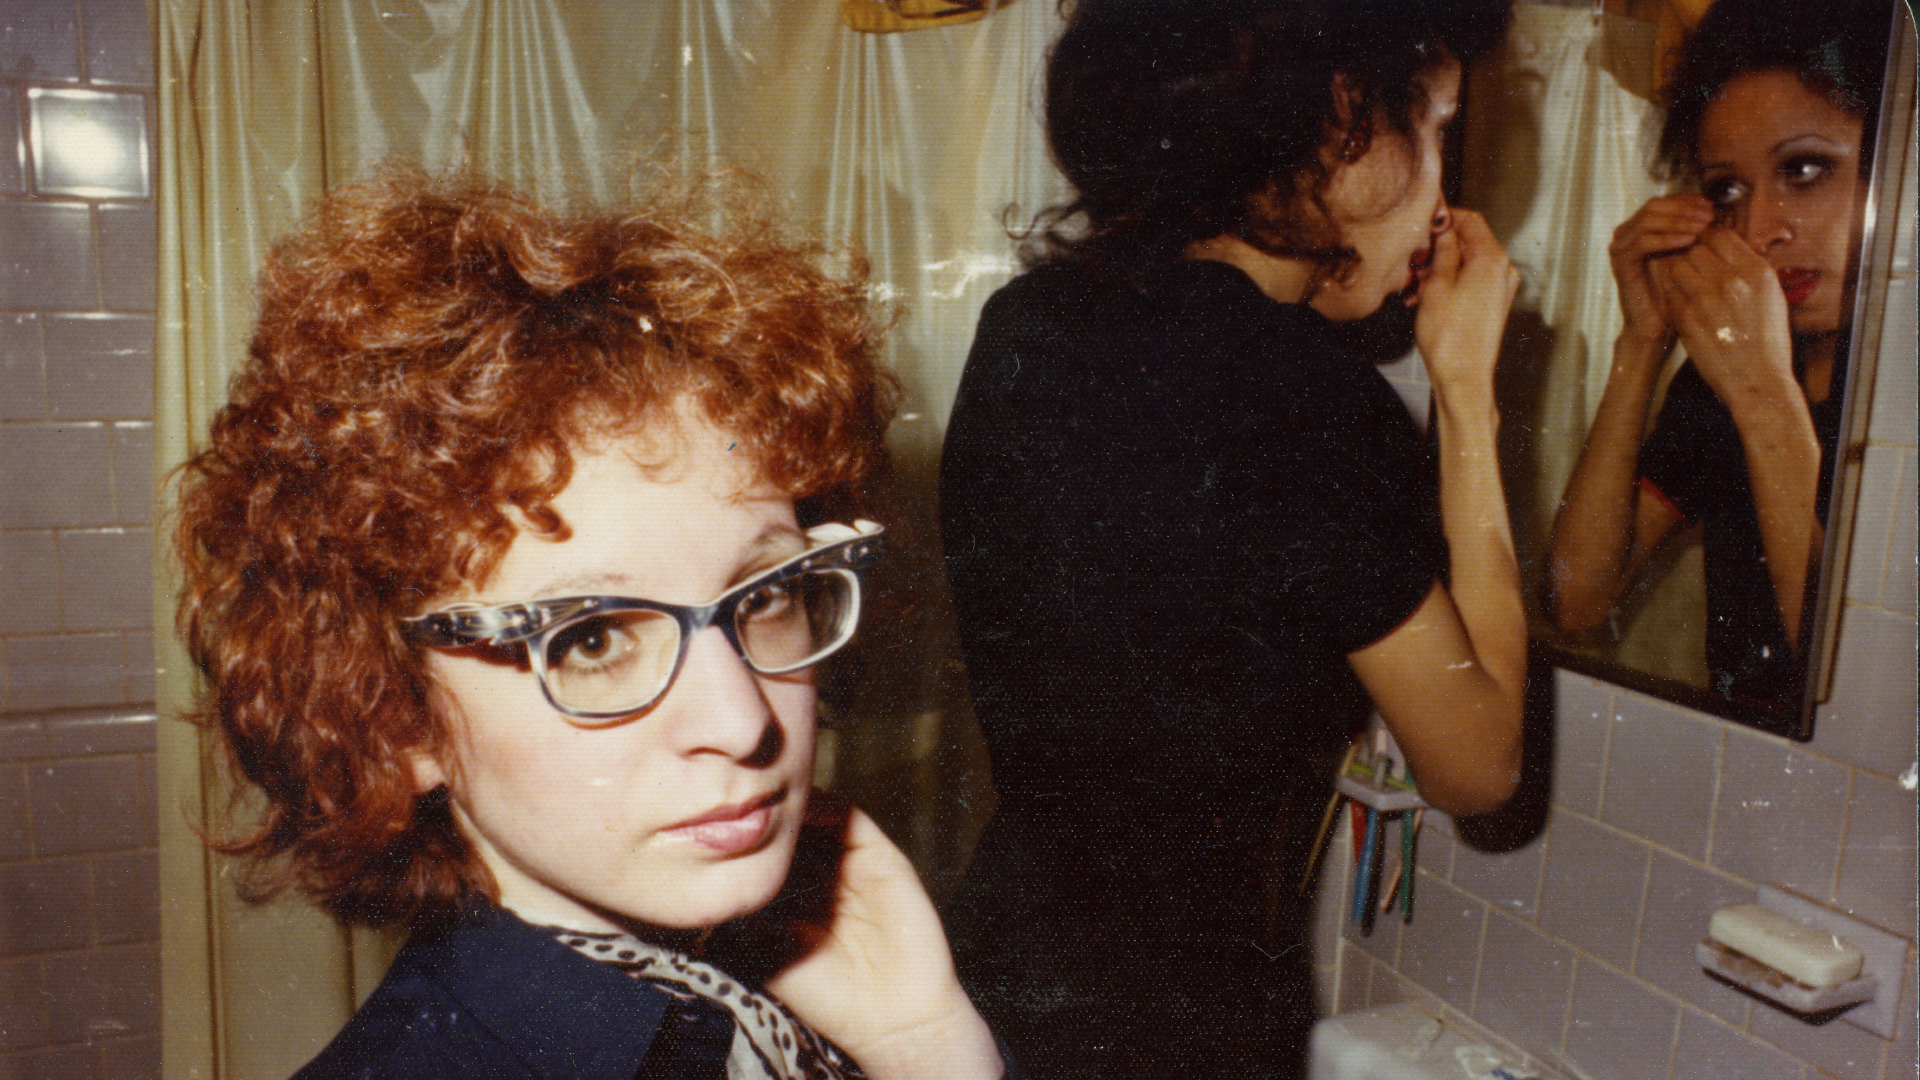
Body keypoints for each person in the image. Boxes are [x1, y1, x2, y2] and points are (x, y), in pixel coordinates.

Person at [175, 167, 1007, 1080]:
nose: (744, 722)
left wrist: (924, 1045)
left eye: (763, 595)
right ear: (395, 717)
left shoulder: (778, 1007)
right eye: (592, 639)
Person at [937, 1, 1525, 1076]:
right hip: (1180, 1016)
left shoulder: (1027, 326)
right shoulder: (1309, 393)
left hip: (992, 969)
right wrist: (1468, 392)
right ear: (1346, 118)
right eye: (1438, 125)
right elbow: (1479, 765)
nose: (1446, 195)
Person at [1546, 0, 1890, 707]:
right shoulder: (1722, 382)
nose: (1759, 230)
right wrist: (1642, 341)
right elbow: (1576, 603)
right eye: (1728, 190)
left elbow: (1866, 700)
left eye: (1805, 169)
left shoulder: (1897, 400)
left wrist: (1765, 402)